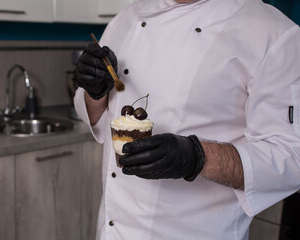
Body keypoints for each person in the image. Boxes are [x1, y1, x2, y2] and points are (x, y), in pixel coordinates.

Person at [74, 0, 300, 239]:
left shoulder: (273, 34)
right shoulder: (126, 17)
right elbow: (95, 115)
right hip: (113, 231)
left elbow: (292, 158)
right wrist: (94, 93)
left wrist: (197, 156)